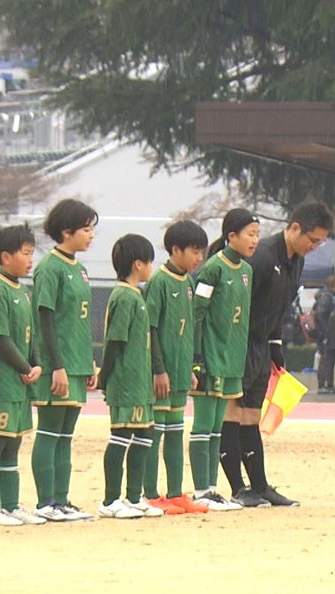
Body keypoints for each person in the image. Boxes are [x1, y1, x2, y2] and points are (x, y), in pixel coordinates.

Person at [222, 202, 334, 508]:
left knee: (252, 415)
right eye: (313, 240)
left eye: (320, 242)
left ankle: (259, 486)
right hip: (238, 342)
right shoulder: (261, 256)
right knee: (233, 411)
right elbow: (236, 302)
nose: (315, 247)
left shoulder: (296, 260)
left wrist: (275, 345)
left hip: (260, 343)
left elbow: (277, 309)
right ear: (295, 228)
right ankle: (237, 488)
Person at [30, 198, 98, 521]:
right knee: (50, 431)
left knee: (66, 435)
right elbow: (45, 319)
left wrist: (88, 363)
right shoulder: (49, 267)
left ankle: (62, 498)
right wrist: (56, 364)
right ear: (66, 231)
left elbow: (79, 321)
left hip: (77, 363)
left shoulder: (80, 269)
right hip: (57, 366)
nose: (91, 235)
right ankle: (46, 502)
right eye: (86, 229)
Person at [188, 208, 260, 511]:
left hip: (233, 361)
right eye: (250, 234)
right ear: (231, 236)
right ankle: (200, 490)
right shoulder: (212, 269)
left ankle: (213, 489)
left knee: (218, 428)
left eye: (258, 234)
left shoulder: (247, 270)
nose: (255, 240)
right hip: (211, 359)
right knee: (203, 426)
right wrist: (197, 359)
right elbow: (198, 315)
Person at [0, 225, 46, 526]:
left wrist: (36, 362)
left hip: (20, 382)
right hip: (2, 379)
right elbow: (1, 339)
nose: (31, 259)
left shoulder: (22, 290)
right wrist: (25, 368)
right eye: (26, 253)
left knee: (13, 441)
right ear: (5, 256)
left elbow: (30, 335)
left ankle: (11, 504)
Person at [142, 220, 211, 516]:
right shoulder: (159, 282)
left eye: (201, 252)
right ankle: (149, 494)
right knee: (155, 433)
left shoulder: (189, 283)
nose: (198, 259)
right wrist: (158, 369)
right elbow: (151, 329)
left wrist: (192, 368)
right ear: (175, 250)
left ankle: (174, 493)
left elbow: (190, 330)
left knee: (175, 432)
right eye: (194, 252)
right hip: (162, 374)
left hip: (182, 372)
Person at [96, 234, 162, 519]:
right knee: (121, 435)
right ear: (138, 264)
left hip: (141, 381)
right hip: (125, 380)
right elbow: (115, 341)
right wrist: (105, 376)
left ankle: (134, 496)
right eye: (149, 261)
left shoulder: (137, 295)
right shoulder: (123, 296)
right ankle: (111, 500)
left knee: (144, 434)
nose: (151, 267)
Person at [313, 275, 335, 394]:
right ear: (334, 285)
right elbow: (321, 315)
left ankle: (329, 383)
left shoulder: (327, 297)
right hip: (326, 336)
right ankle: (324, 384)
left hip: (329, 335)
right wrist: (325, 334)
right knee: (326, 359)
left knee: (331, 359)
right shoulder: (327, 297)